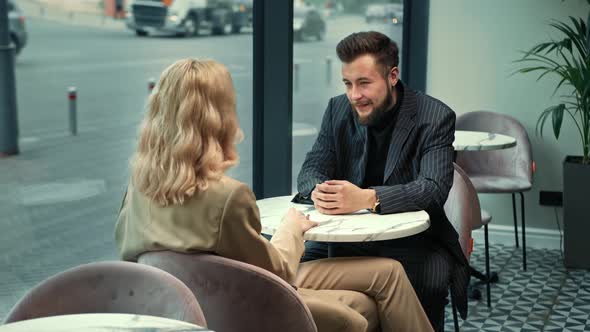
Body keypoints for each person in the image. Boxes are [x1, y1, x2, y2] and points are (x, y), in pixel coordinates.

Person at [115, 58, 433, 332]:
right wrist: (293, 226)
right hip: (246, 301)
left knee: (388, 272)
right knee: (362, 307)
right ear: (217, 117)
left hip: (186, 302)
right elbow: (276, 273)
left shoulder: (139, 185)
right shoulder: (228, 197)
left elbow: (128, 252)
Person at [295, 31, 470, 331]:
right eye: (348, 84)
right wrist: (320, 190)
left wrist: (367, 198)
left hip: (414, 241)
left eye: (364, 83)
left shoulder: (435, 116)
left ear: (392, 76)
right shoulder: (338, 109)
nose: (354, 95)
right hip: (345, 238)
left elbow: (433, 189)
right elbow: (311, 168)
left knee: (429, 278)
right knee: (293, 268)